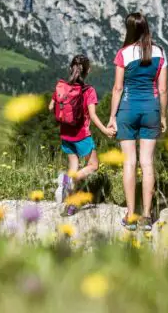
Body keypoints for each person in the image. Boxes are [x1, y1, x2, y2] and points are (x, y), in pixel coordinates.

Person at [107, 13, 168, 232]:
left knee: (129, 163)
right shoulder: (160, 52)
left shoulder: (123, 53)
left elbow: (117, 88)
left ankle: (130, 214)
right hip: (150, 109)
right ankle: (146, 216)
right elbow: (162, 89)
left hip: (127, 109)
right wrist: (162, 116)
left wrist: (112, 117)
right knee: (147, 163)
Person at [50, 54, 115, 216]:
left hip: (65, 134)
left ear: (70, 68)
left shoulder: (61, 86)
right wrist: (106, 131)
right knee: (93, 166)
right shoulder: (88, 90)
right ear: (88, 71)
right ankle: (67, 180)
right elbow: (93, 116)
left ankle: (70, 206)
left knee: (74, 168)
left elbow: (51, 107)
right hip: (82, 136)